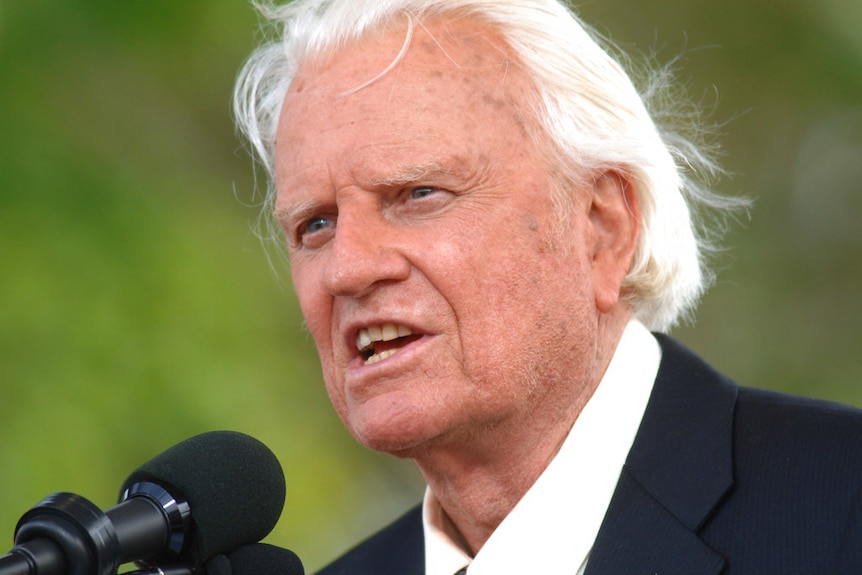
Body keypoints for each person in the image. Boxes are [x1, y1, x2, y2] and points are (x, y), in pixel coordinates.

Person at [232, 0, 862, 573]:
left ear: (601, 228)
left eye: (418, 194)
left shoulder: (842, 508)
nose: (348, 268)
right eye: (315, 225)